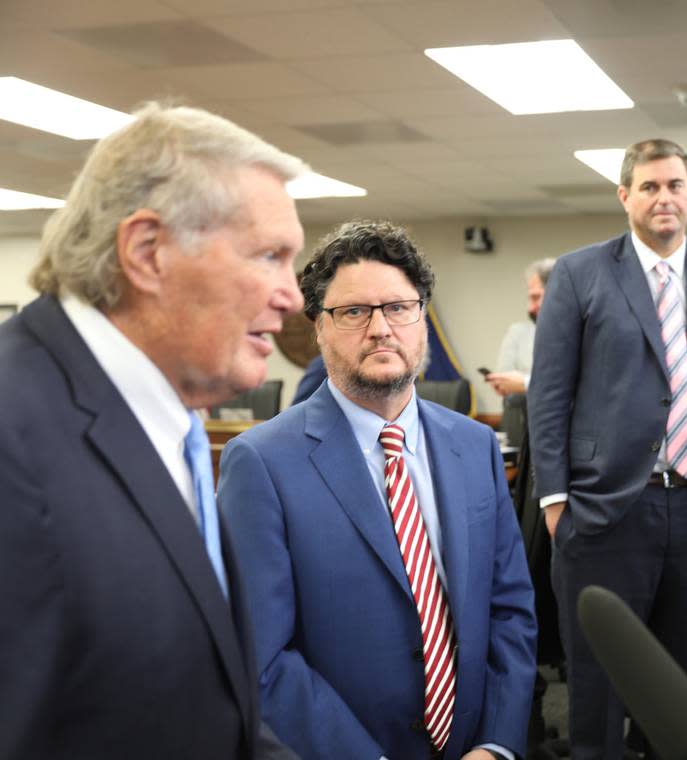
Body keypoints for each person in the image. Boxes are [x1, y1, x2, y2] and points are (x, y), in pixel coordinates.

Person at [0, 103, 305, 759]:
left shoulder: (171, 426)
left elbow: (214, 708)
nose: (294, 295)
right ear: (147, 252)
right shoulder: (12, 434)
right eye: (270, 256)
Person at [217, 220, 537, 760]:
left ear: (422, 320)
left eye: (399, 307)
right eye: (353, 312)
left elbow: (510, 611)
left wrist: (496, 743)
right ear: (318, 328)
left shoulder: (474, 446)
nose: (381, 328)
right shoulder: (261, 463)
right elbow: (261, 656)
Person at [528, 138, 687, 759]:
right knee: (597, 691)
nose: (665, 197)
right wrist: (556, 502)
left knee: (685, 695)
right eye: (651, 186)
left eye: (676, 185)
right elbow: (548, 393)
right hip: (604, 512)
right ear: (624, 195)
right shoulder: (581, 273)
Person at [485, 257, 555, 398]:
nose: (530, 307)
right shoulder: (518, 332)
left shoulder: (586, 334)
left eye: (536, 297)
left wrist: (524, 382)